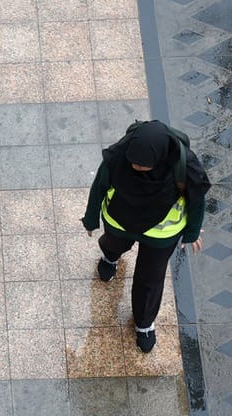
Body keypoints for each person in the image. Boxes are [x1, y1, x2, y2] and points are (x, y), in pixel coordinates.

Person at [82, 120, 210, 353]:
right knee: (113, 244)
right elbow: (99, 186)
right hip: (120, 221)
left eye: (143, 165)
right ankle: (110, 258)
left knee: (150, 279)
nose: (135, 167)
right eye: (133, 162)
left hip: (161, 234)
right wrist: (91, 219)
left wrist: (191, 233)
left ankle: (143, 323)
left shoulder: (185, 165)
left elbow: (196, 200)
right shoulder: (120, 155)